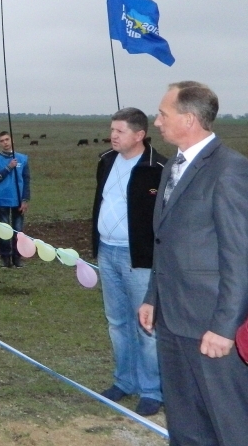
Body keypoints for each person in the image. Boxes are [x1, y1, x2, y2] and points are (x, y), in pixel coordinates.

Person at [138, 81, 248, 445]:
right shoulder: (173, 165)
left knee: (228, 421)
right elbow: (164, 241)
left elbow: (239, 256)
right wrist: (153, 296)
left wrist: (225, 327)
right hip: (172, 318)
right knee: (184, 422)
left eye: (163, 114)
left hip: (209, 324)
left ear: (188, 119)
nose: (157, 122)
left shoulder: (229, 170)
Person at [92, 108, 166, 416]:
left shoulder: (158, 167)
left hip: (140, 259)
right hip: (107, 253)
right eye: (112, 129)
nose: (113, 135)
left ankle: (152, 389)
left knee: (145, 326)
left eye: (120, 131)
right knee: (117, 323)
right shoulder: (106, 160)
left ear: (139, 135)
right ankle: (124, 381)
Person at [0, 131, 30, 268]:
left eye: (7, 139)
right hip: (2, 200)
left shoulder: (22, 159)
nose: (5, 143)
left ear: (12, 140)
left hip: (18, 200)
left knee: (18, 230)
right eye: (2, 141)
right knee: (4, 231)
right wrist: (8, 167)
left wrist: (25, 199)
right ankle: (5, 258)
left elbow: (26, 180)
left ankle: (17, 258)